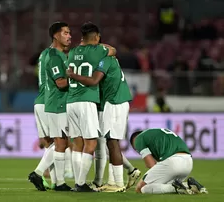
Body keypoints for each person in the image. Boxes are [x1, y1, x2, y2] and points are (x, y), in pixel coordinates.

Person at [66, 22, 132, 192]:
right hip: (90, 100)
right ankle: (90, 183)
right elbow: (113, 50)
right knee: (98, 142)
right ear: (96, 38)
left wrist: (73, 75)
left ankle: (113, 183)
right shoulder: (101, 53)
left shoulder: (72, 52)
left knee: (88, 142)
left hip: (75, 101)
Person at [29, 22, 72, 192]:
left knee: (53, 143)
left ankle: (56, 182)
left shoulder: (45, 54)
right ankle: (39, 173)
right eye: (66, 33)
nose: (70, 36)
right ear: (55, 35)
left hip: (42, 100)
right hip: (49, 101)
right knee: (60, 142)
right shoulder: (55, 55)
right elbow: (59, 81)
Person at [130, 128, 208, 194]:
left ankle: (175, 188)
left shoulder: (138, 139)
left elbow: (151, 164)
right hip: (188, 162)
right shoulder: (154, 134)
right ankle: (189, 185)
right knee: (164, 184)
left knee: (141, 188)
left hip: (173, 163)